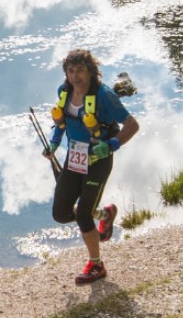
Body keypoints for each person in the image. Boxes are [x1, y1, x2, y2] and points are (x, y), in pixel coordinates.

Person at [45, 48, 141, 284]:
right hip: (74, 158)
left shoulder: (104, 95)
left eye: (80, 70)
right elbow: (60, 124)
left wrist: (111, 146)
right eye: (71, 70)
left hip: (98, 160)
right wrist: (54, 144)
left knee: (83, 216)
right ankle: (104, 214)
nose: (75, 76)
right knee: (61, 213)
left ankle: (96, 265)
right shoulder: (64, 92)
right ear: (66, 73)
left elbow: (132, 125)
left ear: (91, 71)